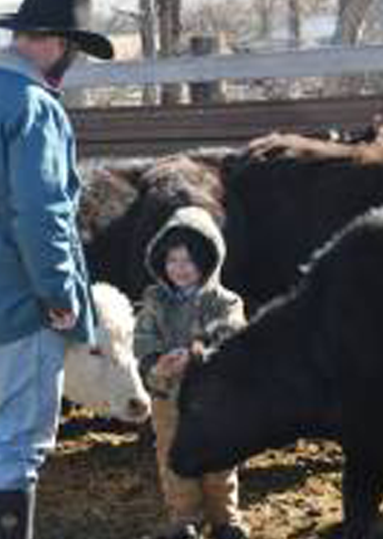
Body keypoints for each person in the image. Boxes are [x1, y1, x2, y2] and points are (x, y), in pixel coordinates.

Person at [0, 0, 113, 539]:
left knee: (6, 429)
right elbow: (42, 215)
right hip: (22, 296)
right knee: (21, 440)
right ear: (60, 43)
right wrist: (59, 294)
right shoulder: (36, 107)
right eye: (75, 50)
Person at [135, 206, 249, 539]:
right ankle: (184, 518)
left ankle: (224, 519)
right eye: (172, 261)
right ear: (161, 262)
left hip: (213, 399)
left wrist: (198, 351)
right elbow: (142, 337)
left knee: (218, 459)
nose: (179, 269)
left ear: (207, 261)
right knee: (173, 457)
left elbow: (231, 331)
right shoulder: (155, 299)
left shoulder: (224, 301)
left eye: (188, 261)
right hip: (167, 392)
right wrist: (155, 362)